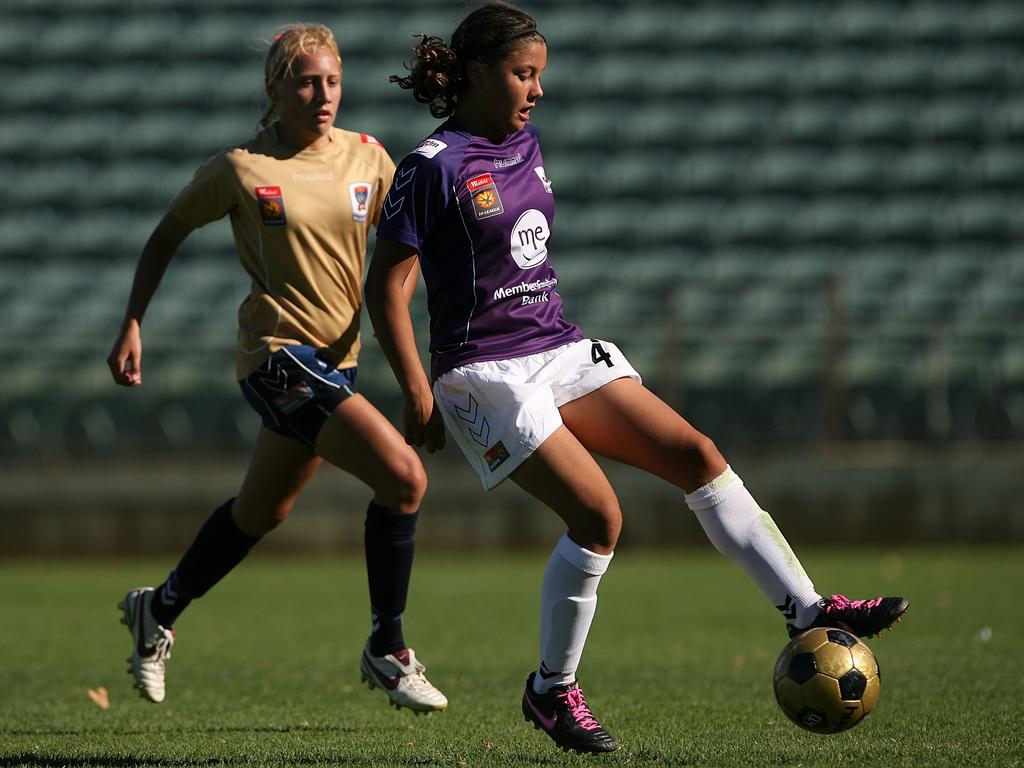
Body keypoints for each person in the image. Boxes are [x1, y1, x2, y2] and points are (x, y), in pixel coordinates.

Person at [364, 1, 908, 754]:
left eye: (540, 76)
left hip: (555, 343)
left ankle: (807, 610)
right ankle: (551, 693)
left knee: (696, 456)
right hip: (484, 370)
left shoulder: (524, 142)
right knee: (599, 517)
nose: (537, 91)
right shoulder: (433, 167)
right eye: (524, 75)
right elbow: (386, 286)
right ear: (478, 74)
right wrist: (417, 388)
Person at [106, 23, 447, 715]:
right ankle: (390, 646)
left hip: (335, 368)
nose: (322, 95)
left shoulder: (370, 158)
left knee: (261, 511)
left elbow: (401, 256)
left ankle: (158, 608)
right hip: (276, 360)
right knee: (405, 477)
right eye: (305, 81)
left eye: (331, 81)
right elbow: (167, 231)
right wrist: (134, 321)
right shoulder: (242, 167)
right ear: (275, 88)